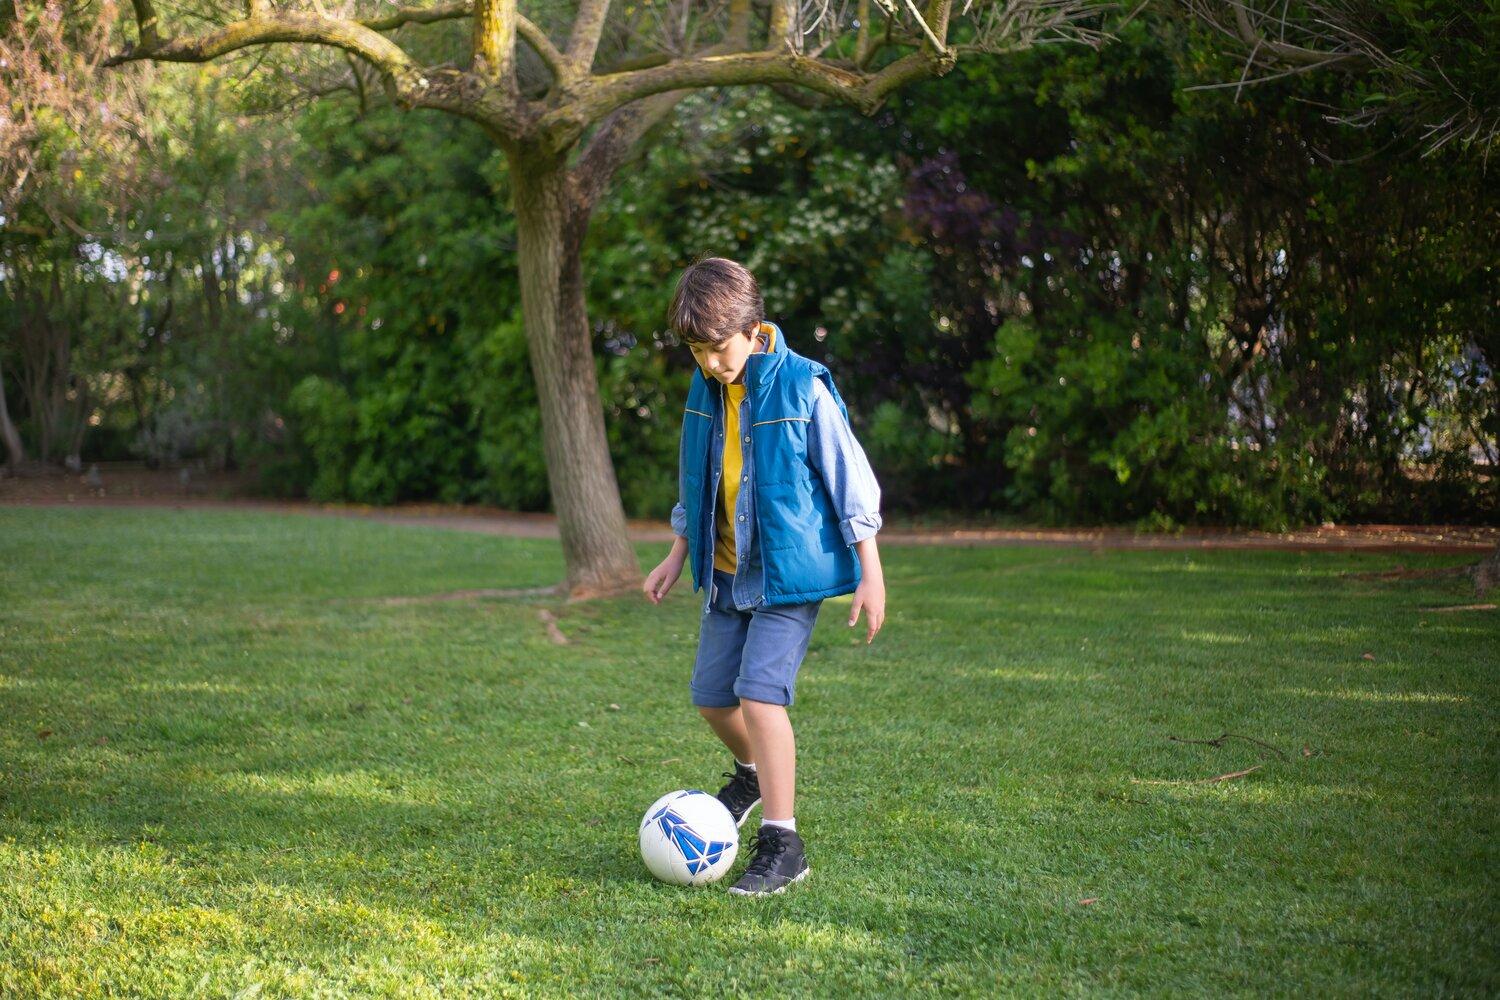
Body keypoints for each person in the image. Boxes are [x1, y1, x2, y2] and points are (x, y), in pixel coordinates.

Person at [642, 256, 887, 896]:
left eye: (718, 349)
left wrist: (872, 572)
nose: (710, 364)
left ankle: (783, 839)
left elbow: (851, 479)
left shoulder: (802, 384)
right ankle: (750, 774)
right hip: (725, 572)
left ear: (753, 329)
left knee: (760, 696)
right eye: (697, 352)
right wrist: (677, 552)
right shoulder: (706, 390)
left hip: (784, 576)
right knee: (710, 697)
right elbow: (695, 476)